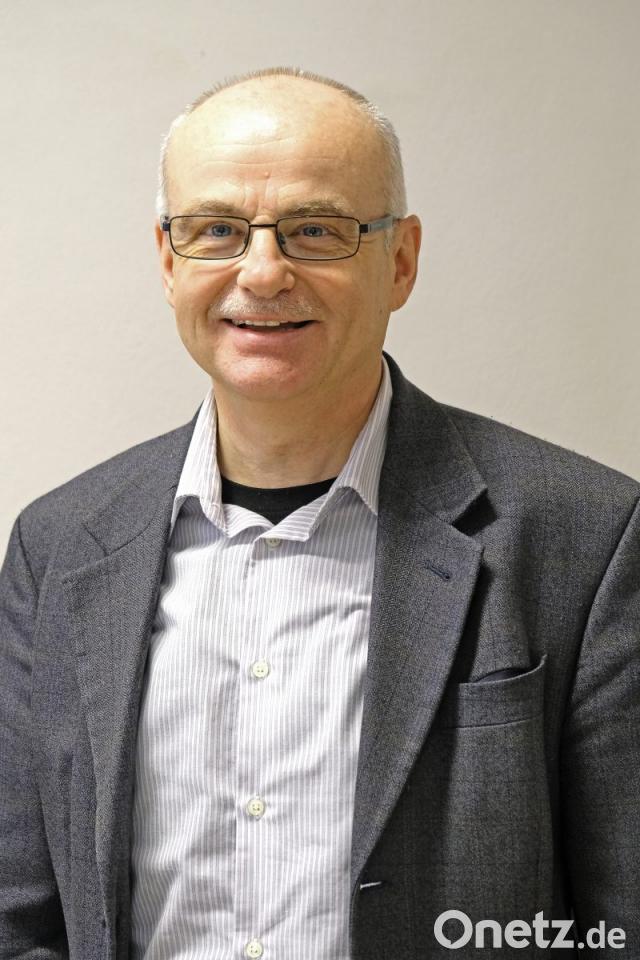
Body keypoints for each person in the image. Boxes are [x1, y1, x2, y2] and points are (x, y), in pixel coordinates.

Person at [0, 66, 638, 960]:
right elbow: (18, 917)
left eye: (316, 230)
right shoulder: (59, 545)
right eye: (216, 230)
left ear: (401, 260)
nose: (263, 273)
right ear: (168, 260)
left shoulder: (587, 537)